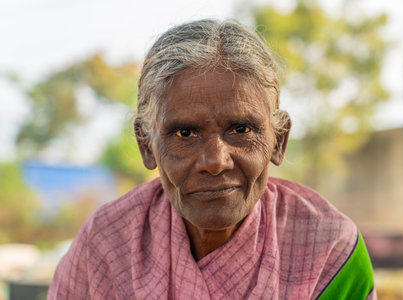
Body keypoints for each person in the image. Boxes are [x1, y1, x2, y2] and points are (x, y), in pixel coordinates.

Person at [48, 19, 376, 299]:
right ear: (146, 145)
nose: (216, 161)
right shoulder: (105, 246)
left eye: (241, 128)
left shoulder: (330, 250)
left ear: (278, 141)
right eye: (185, 134)